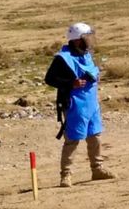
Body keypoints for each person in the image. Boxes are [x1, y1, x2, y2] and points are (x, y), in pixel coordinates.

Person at [43, 22, 115, 187]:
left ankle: (97, 169)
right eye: (86, 38)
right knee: (72, 140)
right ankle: (66, 175)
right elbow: (50, 79)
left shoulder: (86, 54)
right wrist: (71, 83)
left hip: (91, 103)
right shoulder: (62, 58)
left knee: (95, 136)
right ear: (76, 40)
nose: (89, 41)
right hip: (74, 104)